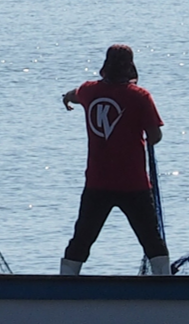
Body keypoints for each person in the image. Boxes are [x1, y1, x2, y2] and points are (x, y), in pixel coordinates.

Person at [59, 44, 170, 276]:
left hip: (97, 183)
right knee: (151, 239)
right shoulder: (140, 96)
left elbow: (74, 94)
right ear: (130, 66)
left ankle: (65, 284)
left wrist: (66, 98)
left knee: (82, 239)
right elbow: (154, 137)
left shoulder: (89, 92)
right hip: (134, 184)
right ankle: (165, 284)